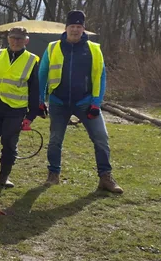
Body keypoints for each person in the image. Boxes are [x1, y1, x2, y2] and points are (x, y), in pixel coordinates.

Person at [38, 10, 123, 193]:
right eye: (72, 26)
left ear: (83, 29)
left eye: (78, 27)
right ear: (66, 28)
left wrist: (96, 103)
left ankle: (105, 177)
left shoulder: (94, 49)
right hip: (58, 102)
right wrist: (40, 99)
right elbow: (42, 74)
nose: (75, 30)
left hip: (85, 102)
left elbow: (100, 77)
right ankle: (53, 174)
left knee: (101, 138)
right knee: (55, 140)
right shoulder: (53, 47)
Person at [0, 26, 40, 189]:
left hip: (15, 110)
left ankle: (4, 177)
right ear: (8, 38)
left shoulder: (31, 60)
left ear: (26, 40)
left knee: (9, 145)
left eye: (20, 39)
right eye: (13, 38)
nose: (16, 41)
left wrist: (31, 115)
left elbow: (35, 89)